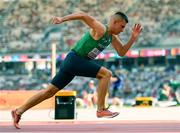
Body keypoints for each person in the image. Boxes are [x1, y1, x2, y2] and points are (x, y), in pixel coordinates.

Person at [11, 11, 142, 129]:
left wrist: (133, 38)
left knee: (49, 92)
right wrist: (62, 18)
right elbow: (83, 15)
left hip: (73, 63)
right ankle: (101, 109)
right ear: (114, 22)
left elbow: (121, 52)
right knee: (106, 74)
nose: (123, 30)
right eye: (122, 27)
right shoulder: (101, 29)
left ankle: (18, 111)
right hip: (75, 59)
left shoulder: (111, 37)